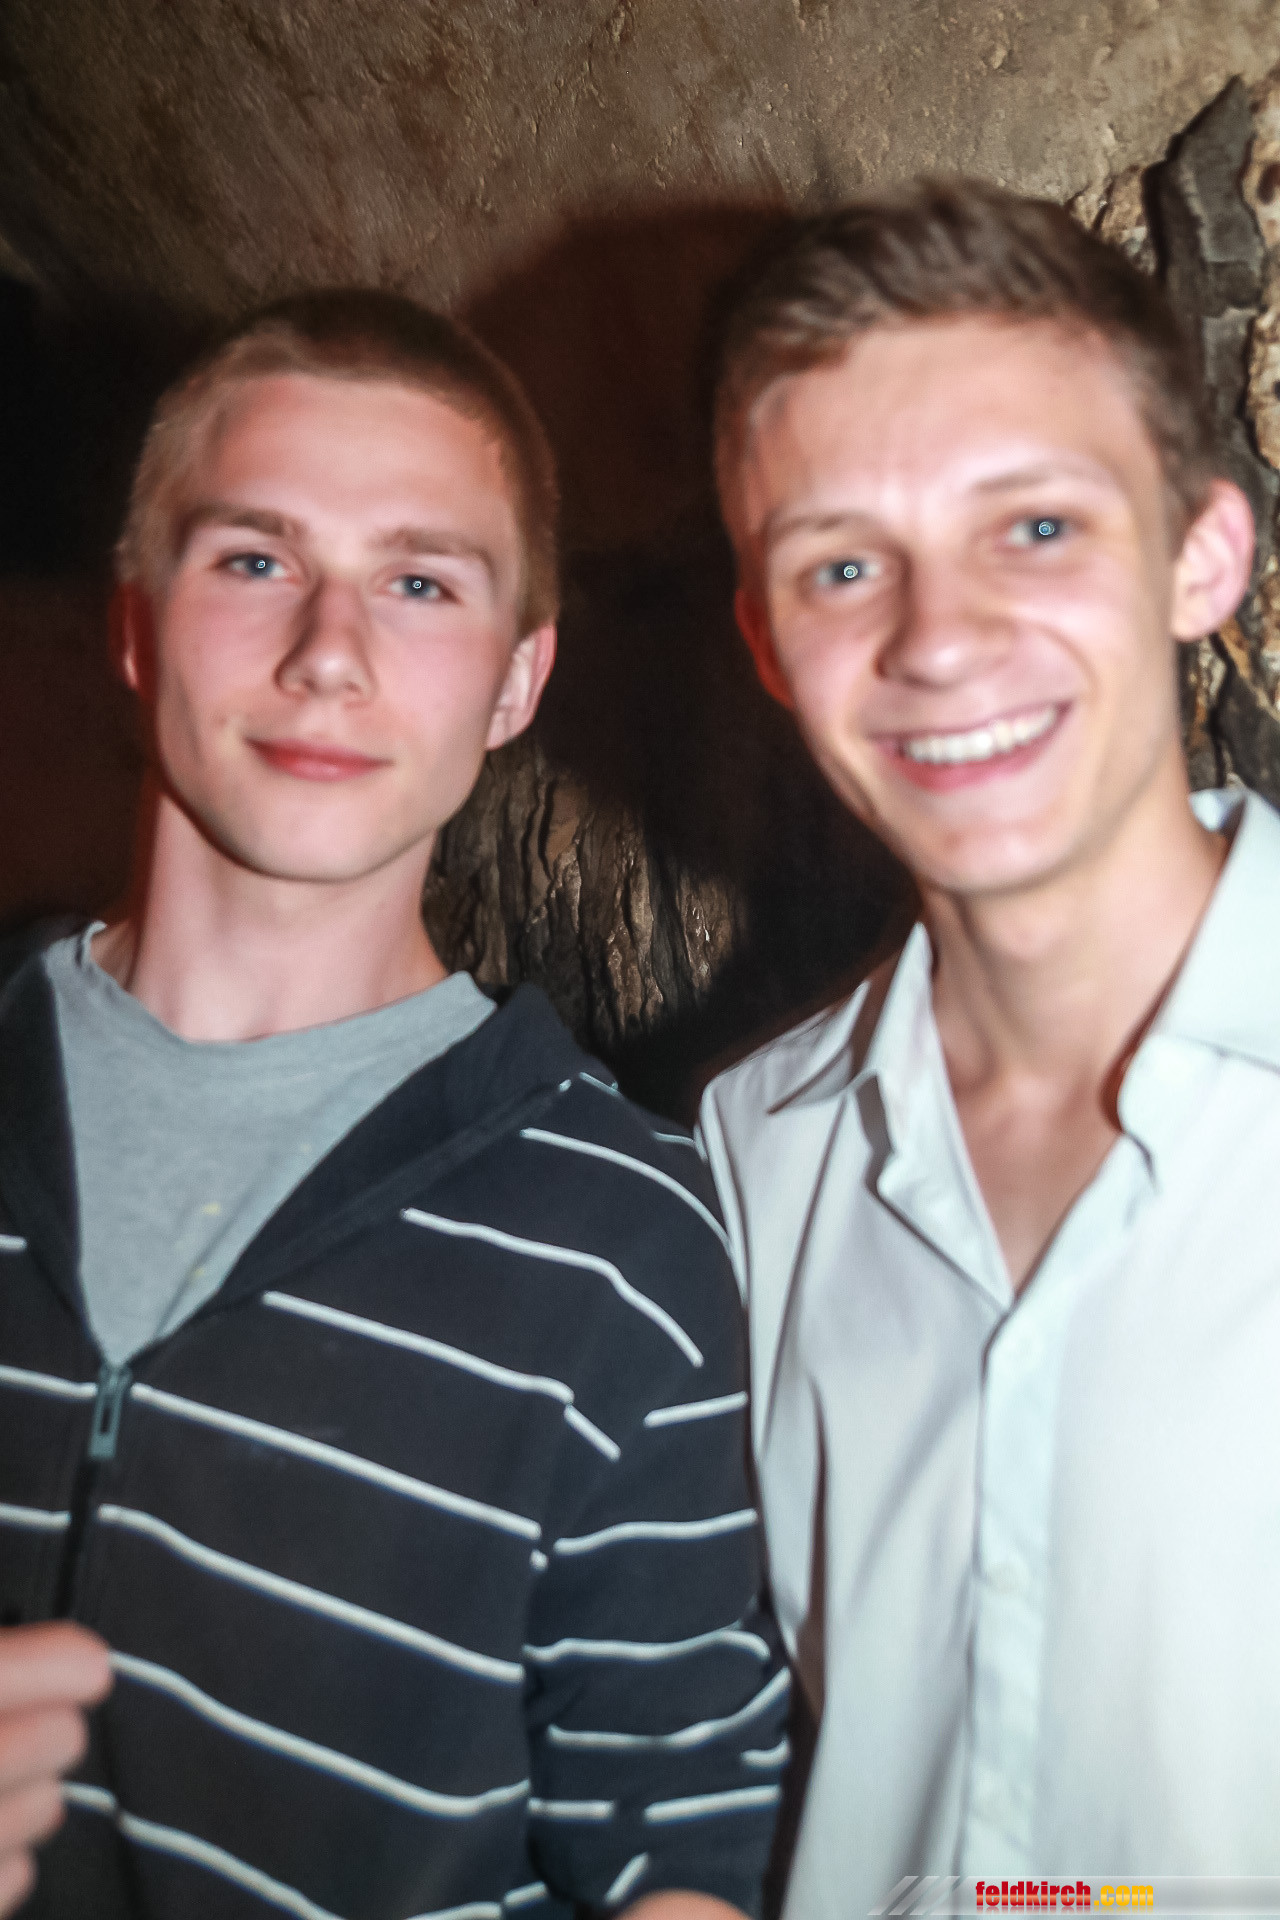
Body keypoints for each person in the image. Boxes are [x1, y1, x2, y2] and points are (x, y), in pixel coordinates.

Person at [0, 290, 788, 1920]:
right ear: (136, 621)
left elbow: (683, 1843)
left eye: (420, 582)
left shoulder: (624, 1246)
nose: (329, 653)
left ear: (516, 680)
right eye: (255, 559)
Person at [698, 181, 1273, 1915]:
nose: (936, 639)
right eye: (843, 564)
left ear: (1204, 557)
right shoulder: (756, 1150)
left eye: (1033, 527)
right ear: (766, 644)